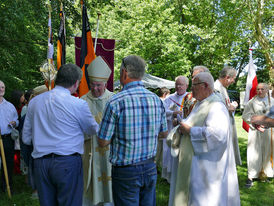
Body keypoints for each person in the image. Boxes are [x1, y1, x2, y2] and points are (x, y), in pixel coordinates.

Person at [22, 64, 99, 206]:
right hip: (67, 162)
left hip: (41, 163)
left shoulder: (34, 102)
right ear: (76, 83)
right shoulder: (78, 104)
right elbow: (93, 130)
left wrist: (44, 138)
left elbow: (26, 138)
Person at [97, 55, 168, 206]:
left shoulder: (116, 101)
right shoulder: (156, 99)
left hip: (126, 171)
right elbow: (164, 133)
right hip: (149, 166)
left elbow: (102, 141)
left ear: (124, 72)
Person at [170, 72, 240, 206]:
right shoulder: (200, 104)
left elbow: (217, 135)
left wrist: (190, 130)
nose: (191, 90)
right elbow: (194, 122)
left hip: (207, 168)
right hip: (194, 162)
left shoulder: (217, 106)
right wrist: (181, 125)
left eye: (194, 86)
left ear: (205, 86)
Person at [81, 56, 114, 206]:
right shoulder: (82, 101)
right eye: (92, 85)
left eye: (98, 85)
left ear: (105, 83)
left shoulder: (114, 99)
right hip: (89, 149)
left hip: (110, 150)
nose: (95, 88)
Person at [242, 83, 274, 188]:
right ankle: (251, 176)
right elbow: (245, 115)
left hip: (268, 131)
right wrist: (256, 124)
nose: (260, 91)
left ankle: (266, 173)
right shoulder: (252, 102)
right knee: (253, 153)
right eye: (258, 89)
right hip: (255, 131)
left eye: (262, 89)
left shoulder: (272, 101)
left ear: (267, 90)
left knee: (267, 151)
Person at [162, 75, 189, 182]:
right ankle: (169, 176)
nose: (178, 87)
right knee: (170, 152)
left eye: (181, 84)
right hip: (171, 130)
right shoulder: (170, 98)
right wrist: (173, 114)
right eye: (176, 84)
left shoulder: (191, 98)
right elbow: (162, 111)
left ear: (186, 85)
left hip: (184, 131)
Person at [214, 66, 242, 166]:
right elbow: (215, 109)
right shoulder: (216, 89)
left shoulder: (222, 88)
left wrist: (230, 106)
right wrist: (230, 108)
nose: (233, 81)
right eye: (233, 78)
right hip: (220, 128)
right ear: (227, 77)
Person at [0, 80, 19, 194]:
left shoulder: (10, 106)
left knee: (8, 163)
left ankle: (7, 186)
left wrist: (14, 123)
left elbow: (17, 120)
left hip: (7, 139)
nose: (1, 89)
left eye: (2, 87)